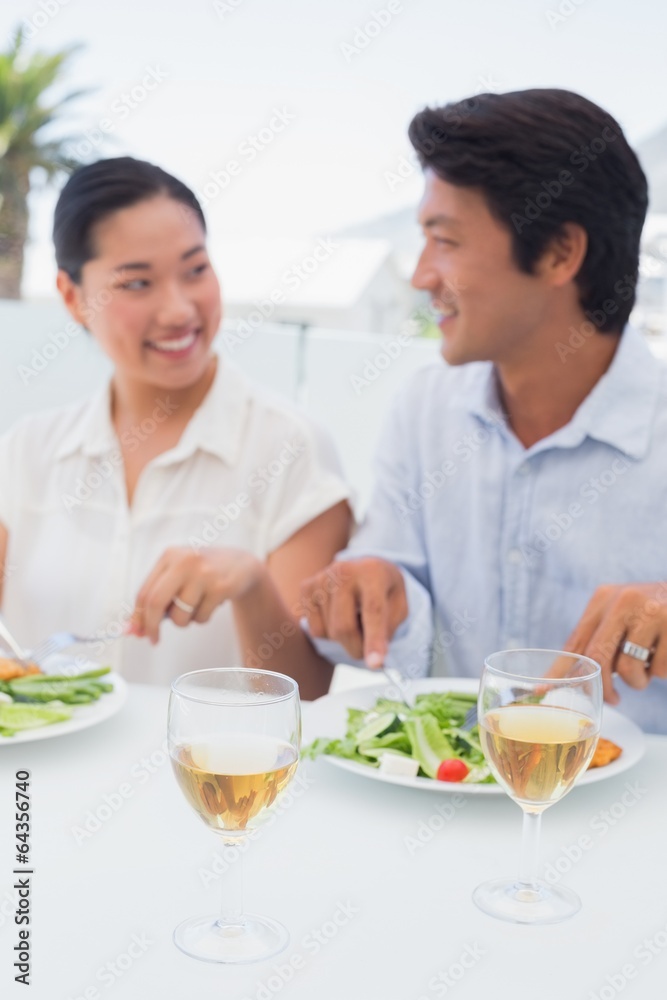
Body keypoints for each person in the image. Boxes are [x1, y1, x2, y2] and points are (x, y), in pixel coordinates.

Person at [299, 88, 667, 733]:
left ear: (559, 252)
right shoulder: (424, 410)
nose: (419, 276)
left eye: (445, 241)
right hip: (450, 797)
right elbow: (394, 604)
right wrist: (372, 595)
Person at [0, 157, 351, 699]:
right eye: (137, 282)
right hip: (30, 783)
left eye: (195, 269)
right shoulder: (27, 450)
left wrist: (251, 585)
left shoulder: (291, 448)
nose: (179, 309)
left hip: (208, 785)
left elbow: (307, 695)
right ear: (72, 298)